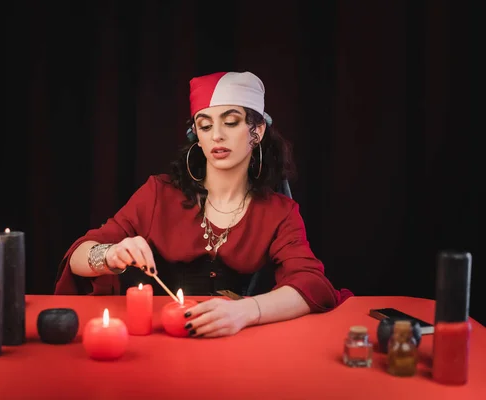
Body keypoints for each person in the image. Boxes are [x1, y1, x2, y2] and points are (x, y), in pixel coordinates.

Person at [54, 71, 353, 337]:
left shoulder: (279, 212)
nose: (217, 136)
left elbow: (312, 283)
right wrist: (110, 254)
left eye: (231, 122)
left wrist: (246, 311)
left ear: (257, 131)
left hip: (240, 349)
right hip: (161, 346)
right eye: (205, 126)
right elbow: (78, 257)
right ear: (197, 135)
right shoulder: (158, 194)